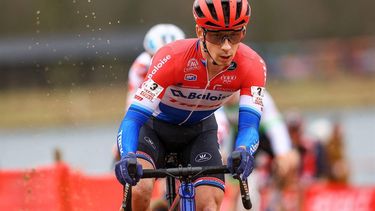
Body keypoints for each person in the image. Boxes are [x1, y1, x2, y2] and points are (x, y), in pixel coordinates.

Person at [115, 0, 267, 210]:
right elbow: (133, 118)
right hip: (155, 128)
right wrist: (127, 156)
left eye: (234, 36)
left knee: (209, 204)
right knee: (140, 190)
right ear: (199, 31)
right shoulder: (173, 57)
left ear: (244, 32)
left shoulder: (252, 65)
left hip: (200, 131)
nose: (226, 46)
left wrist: (243, 150)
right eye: (215, 35)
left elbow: (249, 126)